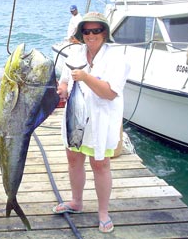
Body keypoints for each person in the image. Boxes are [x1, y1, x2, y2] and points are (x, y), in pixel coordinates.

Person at [53, 12, 130, 233]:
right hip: (75, 116)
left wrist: (86, 78)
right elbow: (65, 78)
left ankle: (103, 212)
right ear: (81, 33)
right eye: (87, 31)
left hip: (101, 121)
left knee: (100, 164)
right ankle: (76, 201)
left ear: (104, 32)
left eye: (96, 30)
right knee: (73, 159)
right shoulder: (76, 52)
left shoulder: (118, 58)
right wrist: (64, 87)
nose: (91, 35)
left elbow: (110, 93)